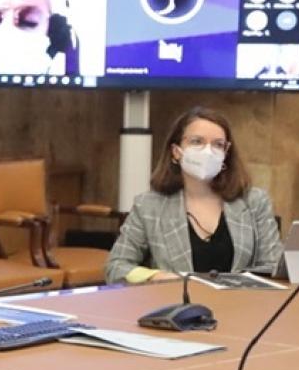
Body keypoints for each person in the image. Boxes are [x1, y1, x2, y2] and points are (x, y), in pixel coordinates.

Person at [106, 106, 283, 283]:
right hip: (176, 299)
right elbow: (116, 267)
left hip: (242, 299)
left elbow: (274, 267)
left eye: (218, 144)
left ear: (226, 153)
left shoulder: (254, 201)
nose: (208, 151)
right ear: (176, 151)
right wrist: (157, 276)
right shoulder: (149, 206)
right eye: (197, 142)